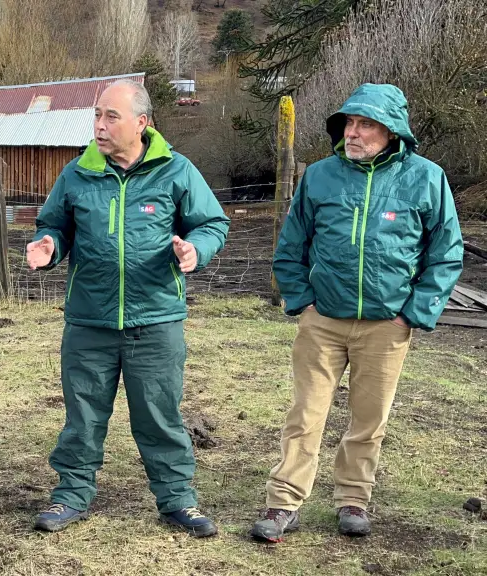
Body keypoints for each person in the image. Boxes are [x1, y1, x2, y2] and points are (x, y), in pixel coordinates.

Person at [251, 83, 464, 542]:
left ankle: (353, 499)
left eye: (365, 124)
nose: (354, 132)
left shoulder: (426, 178)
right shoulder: (321, 176)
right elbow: (291, 246)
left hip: (387, 326)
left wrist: (413, 313)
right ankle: (282, 503)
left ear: (392, 131)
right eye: (349, 123)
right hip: (323, 321)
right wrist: (302, 302)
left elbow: (445, 253)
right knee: (305, 414)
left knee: (369, 420)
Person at [26, 78, 230, 537]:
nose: (99, 125)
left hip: (155, 320)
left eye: (110, 116)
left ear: (142, 122)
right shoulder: (77, 173)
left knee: (160, 415)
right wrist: (49, 246)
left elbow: (212, 222)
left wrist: (196, 248)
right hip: (90, 320)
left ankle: (177, 499)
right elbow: (54, 225)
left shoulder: (176, 170)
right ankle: (71, 496)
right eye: (97, 115)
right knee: (82, 415)